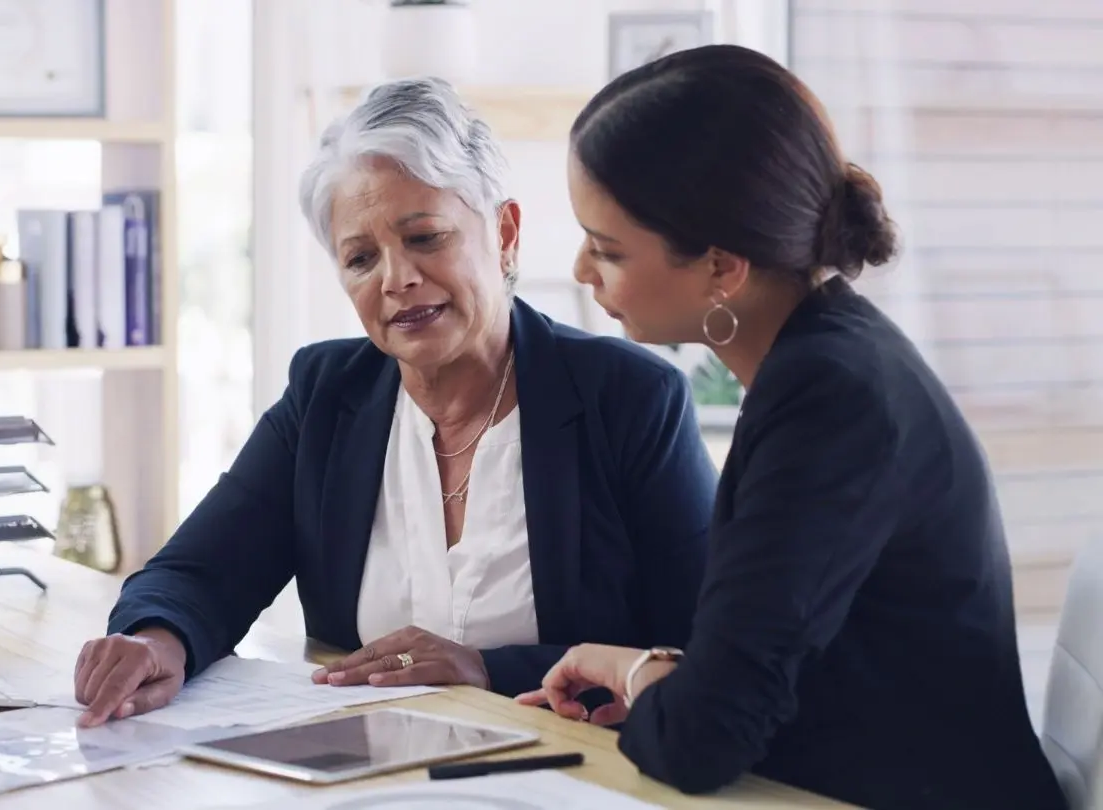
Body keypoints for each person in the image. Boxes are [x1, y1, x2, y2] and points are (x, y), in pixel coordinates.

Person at [514, 44, 1067, 810]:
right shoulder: (830, 357)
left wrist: (644, 679)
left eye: (607, 249)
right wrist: (663, 674)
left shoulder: (827, 396)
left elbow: (702, 741)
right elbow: (771, 658)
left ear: (721, 269)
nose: (581, 269)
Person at [72, 77, 718, 728]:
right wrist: (155, 642)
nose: (396, 279)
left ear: (504, 232)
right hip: (371, 775)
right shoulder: (326, 393)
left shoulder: (630, 398)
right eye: (360, 258)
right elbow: (199, 571)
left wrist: (488, 667)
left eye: (425, 238)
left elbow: (700, 654)